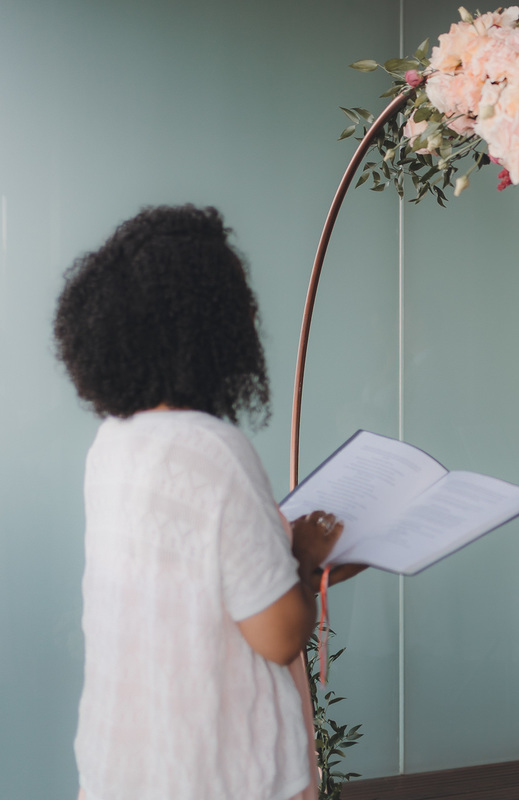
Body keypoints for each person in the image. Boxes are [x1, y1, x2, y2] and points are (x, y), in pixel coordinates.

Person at [55, 205, 360, 800]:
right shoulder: (212, 451)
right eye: (238, 301)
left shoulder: (113, 442)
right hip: (218, 773)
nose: (251, 315)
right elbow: (279, 635)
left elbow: (194, 579)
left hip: (127, 765)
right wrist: (303, 554)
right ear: (206, 325)